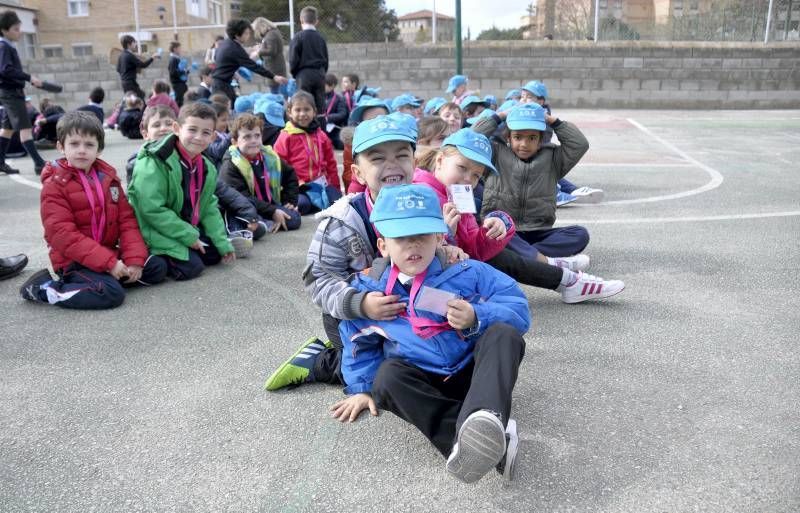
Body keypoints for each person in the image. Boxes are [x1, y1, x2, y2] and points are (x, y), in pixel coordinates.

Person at [331, 183, 529, 483]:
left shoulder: (468, 271)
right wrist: (361, 387)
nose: (413, 245)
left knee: (504, 334)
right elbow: (359, 341)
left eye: (422, 236)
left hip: (473, 375)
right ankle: (479, 443)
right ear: (383, 246)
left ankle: (487, 416)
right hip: (423, 381)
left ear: (439, 237)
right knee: (388, 378)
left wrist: (478, 315)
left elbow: (518, 308)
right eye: (402, 238)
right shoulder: (371, 292)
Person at [263, 113, 466, 392]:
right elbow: (318, 280)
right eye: (378, 158)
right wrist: (361, 304)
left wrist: (449, 250)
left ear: (415, 163)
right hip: (354, 317)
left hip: (409, 308)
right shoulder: (340, 222)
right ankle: (320, 360)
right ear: (357, 172)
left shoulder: (428, 206)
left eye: (401, 155)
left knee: (445, 360)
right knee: (385, 375)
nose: (392, 165)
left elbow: (441, 259)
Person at [416, 129, 625, 303]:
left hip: (469, 266)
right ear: (441, 160)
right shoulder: (419, 194)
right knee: (508, 291)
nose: (467, 179)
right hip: (429, 286)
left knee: (507, 270)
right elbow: (413, 254)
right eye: (462, 168)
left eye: (476, 176)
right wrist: (444, 235)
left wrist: (498, 224)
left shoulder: (457, 195)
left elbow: (476, 247)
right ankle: (566, 279)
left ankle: (566, 278)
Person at [19, 111, 167, 309]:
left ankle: (108, 278)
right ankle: (43, 288)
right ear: (61, 147)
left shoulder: (109, 179)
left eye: (89, 145)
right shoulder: (54, 186)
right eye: (74, 144)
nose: (82, 150)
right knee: (111, 294)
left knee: (156, 267)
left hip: (106, 253)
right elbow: (62, 235)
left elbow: (127, 221)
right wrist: (110, 264)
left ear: (99, 149)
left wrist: (134, 261)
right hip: (73, 262)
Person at [127, 104, 258, 255]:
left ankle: (230, 233)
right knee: (190, 266)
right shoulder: (150, 163)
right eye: (192, 130)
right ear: (178, 129)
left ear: (213, 137)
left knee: (214, 251)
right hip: (158, 229)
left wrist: (222, 240)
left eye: (205, 132)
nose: (198, 137)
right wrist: (189, 235)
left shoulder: (203, 164)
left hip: (184, 224)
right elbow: (150, 209)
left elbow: (210, 202)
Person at [474, 103, 597, 262]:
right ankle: (540, 260)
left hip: (538, 231)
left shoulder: (553, 159)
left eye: (532, 138)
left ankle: (525, 257)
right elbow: (473, 137)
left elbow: (580, 144)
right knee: (491, 232)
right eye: (518, 137)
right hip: (503, 227)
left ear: (540, 140)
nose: (524, 144)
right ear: (508, 138)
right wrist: (502, 116)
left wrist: (550, 120)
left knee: (579, 234)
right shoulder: (495, 154)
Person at [520, 80, 604, 204]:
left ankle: (560, 191)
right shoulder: (516, 114)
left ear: (541, 101)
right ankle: (564, 191)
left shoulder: (543, 121)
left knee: (543, 166)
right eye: (522, 97)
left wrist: (554, 122)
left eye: (529, 97)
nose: (523, 100)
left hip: (534, 164)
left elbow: (579, 144)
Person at [219, 113, 301, 234]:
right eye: (247, 137)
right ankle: (246, 228)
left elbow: (290, 175)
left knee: (294, 219)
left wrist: (289, 200)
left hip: (267, 206)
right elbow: (242, 198)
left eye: (257, 136)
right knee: (254, 229)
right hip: (243, 208)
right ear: (234, 142)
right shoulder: (231, 165)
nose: (253, 141)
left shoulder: (269, 157)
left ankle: (263, 223)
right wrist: (272, 212)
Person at [273, 91, 341, 215]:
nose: (302, 114)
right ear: (289, 112)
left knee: (338, 202)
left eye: (307, 109)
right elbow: (278, 167)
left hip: (321, 186)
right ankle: (311, 203)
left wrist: (335, 187)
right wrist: (285, 192)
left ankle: (318, 202)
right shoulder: (285, 136)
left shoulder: (321, 135)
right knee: (302, 205)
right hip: (298, 188)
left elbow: (331, 163)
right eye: (297, 110)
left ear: (314, 111)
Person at [0, 10, 47, 175]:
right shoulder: (4, 46)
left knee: (8, 129)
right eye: (15, 29)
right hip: (12, 93)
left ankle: (0, 162)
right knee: (25, 129)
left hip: (9, 92)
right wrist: (29, 77)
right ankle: (39, 163)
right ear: (4, 30)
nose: (19, 32)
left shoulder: (6, 45)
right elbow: (5, 70)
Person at [212, 19, 287, 105]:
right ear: (237, 35)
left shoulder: (225, 43)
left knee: (231, 107)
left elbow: (217, 58)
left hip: (220, 83)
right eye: (246, 33)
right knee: (225, 111)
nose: (248, 36)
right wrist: (274, 77)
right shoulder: (235, 49)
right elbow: (254, 66)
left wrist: (231, 70)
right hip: (222, 86)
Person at [289, 6, 329, 113]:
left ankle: (305, 129)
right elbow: (326, 59)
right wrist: (322, 72)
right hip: (319, 73)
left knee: (303, 103)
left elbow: (293, 59)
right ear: (316, 22)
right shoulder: (321, 38)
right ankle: (321, 127)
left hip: (304, 75)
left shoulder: (298, 37)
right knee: (320, 104)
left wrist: (295, 74)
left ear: (301, 20)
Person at [251, 17, 287, 95]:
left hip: (274, 68)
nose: (257, 32)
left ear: (260, 27)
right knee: (278, 91)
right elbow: (271, 48)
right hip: (276, 66)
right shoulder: (273, 33)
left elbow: (271, 51)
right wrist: (261, 47)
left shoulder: (271, 35)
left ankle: (277, 105)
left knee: (275, 92)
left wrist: (258, 52)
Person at [116, 35, 157, 99]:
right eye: (134, 42)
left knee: (132, 100)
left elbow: (118, 69)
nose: (135, 44)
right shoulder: (130, 55)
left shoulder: (121, 55)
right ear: (128, 45)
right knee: (139, 98)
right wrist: (152, 58)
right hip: (130, 83)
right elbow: (143, 65)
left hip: (124, 83)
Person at [322, 73, 347, 150]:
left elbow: (342, 114)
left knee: (340, 145)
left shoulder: (339, 98)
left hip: (334, 129)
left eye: (324, 85)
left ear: (332, 86)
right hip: (321, 128)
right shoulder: (318, 97)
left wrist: (327, 118)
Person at [167, 41, 189, 107]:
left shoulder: (176, 58)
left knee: (181, 101)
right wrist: (184, 72)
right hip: (178, 84)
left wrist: (185, 71)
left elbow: (178, 69)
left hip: (180, 84)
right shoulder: (173, 59)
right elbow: (173, 72)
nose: (180, 50)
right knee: (179, 102)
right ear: (175, 49)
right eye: (179, 48)